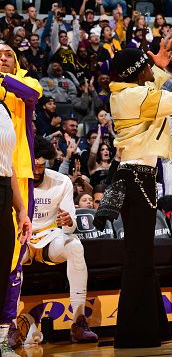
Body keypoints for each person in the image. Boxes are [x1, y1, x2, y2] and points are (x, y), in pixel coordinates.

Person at [106, 38, 172, 348]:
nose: (151, 69)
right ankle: (133, 333)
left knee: (142, 256)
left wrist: (158, 67)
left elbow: (152, 88)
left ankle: (153, 327)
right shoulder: (135, 95)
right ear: (136, 72)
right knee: (138, 257)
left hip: (134, 175)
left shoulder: (128, 93)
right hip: (136, 177)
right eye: (146, 66)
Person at [28, 137, 99, 342]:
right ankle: (13, 325)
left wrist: (68, 220)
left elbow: (70, 227)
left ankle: (78, 322)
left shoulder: (61, 181)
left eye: (42, 165)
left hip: (50, 237)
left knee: (75, 246)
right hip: (21, 237)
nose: (38, 171)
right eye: (34, 166)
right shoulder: (16, 179)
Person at [0, 44, 41, 351]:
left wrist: (1, 79)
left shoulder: (27, 81)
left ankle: (7, 325)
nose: (3, 58)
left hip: (18, 172)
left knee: (15, 249)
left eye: (7, 55)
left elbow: (32, 95)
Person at [0, 83, 32, 355]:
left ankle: (0, 338)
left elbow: (8, 164)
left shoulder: (4, 110)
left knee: (3, 265)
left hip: (3, 191)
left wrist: (21, 209)